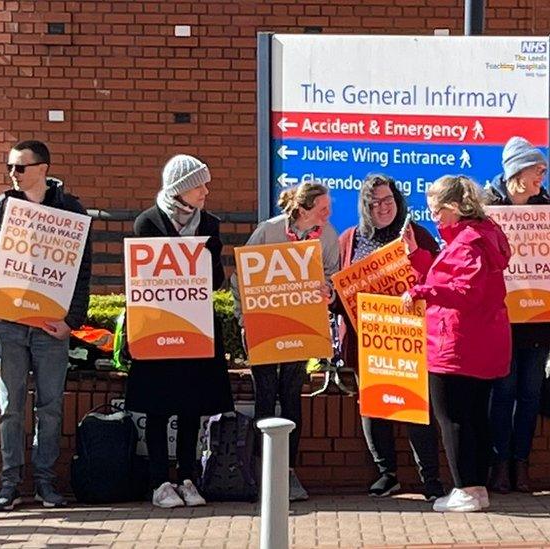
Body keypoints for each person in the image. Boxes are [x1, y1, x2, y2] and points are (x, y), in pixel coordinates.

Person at [0, 140, 92, 511]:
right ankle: (9, 485)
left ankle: (46, 484)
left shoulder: (71, 210)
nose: (13, 174)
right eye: (10, 167)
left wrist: (70, 321)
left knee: (50, 406)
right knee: (10, 406)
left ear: (43, 169)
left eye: (20, 167)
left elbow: (81, 272)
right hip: (10, 322)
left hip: (50, 326)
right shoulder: (2, 206)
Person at [125, 155, 234, 508]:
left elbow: (215, 284)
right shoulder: (147, 223)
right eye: (199, 184)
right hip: (159, 326)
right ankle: (159, 482)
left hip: (196, 327)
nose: (206, 191)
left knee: (192, 405)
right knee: (158, 408)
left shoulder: (210, 225)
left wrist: (212, 258)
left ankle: (187, 477)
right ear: (181, 189)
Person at [402, 175, 512, 513]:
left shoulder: (467, 242)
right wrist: (417, 256)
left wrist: (420, 291)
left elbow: (464, 291)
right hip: (481, 341)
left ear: (453, 207)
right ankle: (475, 488)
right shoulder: (482, 236)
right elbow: (450, 278)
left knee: (451, 418)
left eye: (436, 210)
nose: (433, 218)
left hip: (455, 343)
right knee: (475, 415)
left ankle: (465, 488)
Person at [335, 174, 444, 501]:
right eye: (374, 202)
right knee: (375, 408)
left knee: (415, 411)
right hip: (366, 338)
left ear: (398, 202)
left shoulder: (417, 235)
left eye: (388, 200)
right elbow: (341, 292)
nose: (382, 207)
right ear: (365, 207)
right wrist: (330, 297)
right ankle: (387, 474)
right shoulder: (349, 239)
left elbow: (436, 278)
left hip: (410, 339)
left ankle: (431, 480)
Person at [231, 181, 339, 501]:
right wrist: (242, 319)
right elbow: (241, 274)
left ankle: (288, 473)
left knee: (291, 395)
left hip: (302, 327)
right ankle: (263, 472)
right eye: (322, 208)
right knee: (264, 394)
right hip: (264, 327)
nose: (328, 213)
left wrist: (328, 290)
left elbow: (333, 274)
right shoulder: (269, 230)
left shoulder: (328, 236)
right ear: (304, 210)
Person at [483, 137, 550, 493]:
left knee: (530, 393)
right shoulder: (487, 205)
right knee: (502, 392)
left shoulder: (546, 207)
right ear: (518, 170)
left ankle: (522, 462)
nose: (543, 176)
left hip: (538, 316)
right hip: (500, 317)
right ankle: (499, 464)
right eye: (538, 169)